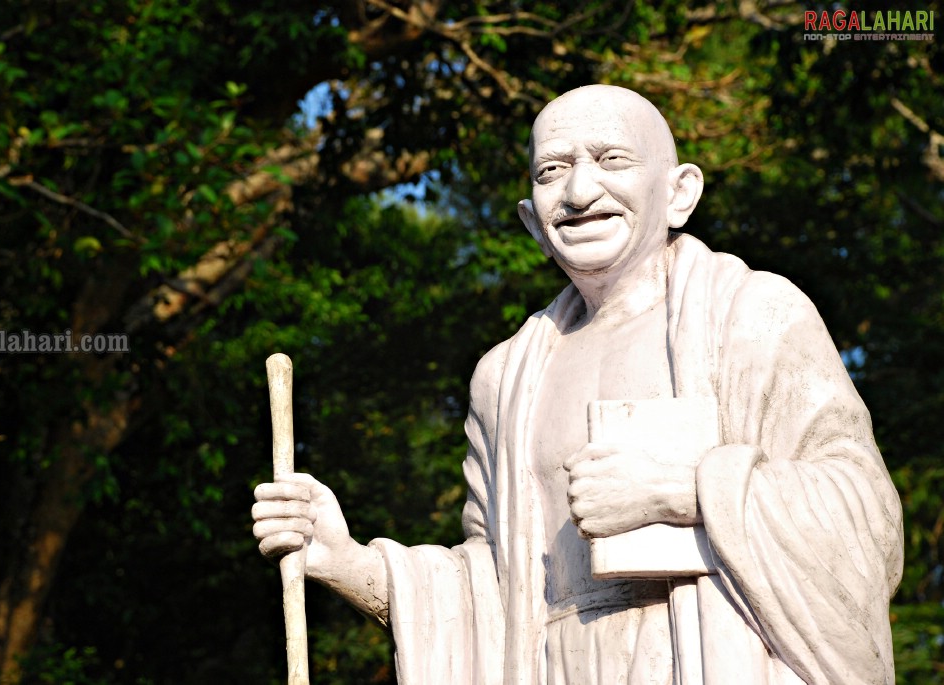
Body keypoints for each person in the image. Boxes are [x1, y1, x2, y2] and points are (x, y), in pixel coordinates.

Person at [252, 85, 904, 684]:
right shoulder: (504, 378)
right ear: (531, 219)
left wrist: (688, 489)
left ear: (678, 192)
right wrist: (348, 561)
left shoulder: (752, 317)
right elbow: (494, 587)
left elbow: (865, 519)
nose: (579, 190)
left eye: (610, 159)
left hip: (712, 657)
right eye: (551, 170)